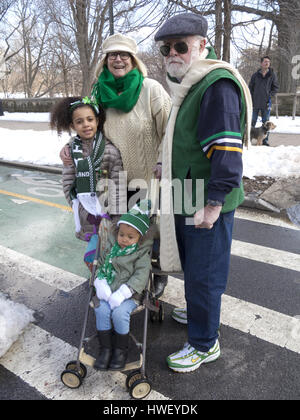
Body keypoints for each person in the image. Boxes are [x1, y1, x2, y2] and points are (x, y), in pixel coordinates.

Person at [154, 13, 253, 372]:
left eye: (182, 46)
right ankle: (200, 315)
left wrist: (213, 205)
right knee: (194, 267)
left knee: (205, 274)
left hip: (205, 199)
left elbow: (226, 151)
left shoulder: (215, 84)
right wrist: (166, 166)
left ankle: (204, 343)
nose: (172, 54)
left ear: (202, 47)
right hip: (187, 190)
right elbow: (188, 141)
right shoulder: (191, 86)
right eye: (167, 48)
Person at [60, 33, 171, 297]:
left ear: (133, 60)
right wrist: (70, 147)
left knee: (150, 234)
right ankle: (116, 279)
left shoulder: (151, 90)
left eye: (124, 54)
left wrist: (161, 162)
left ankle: (155, 275)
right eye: (112, 55)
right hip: (114, 182)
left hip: (149, 180)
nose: (118, 59)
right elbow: (88, 129)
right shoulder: (99, 94)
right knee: (118, 236)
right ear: (105, 61)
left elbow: (170, 131)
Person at [50, 96, 125, 242]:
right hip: (86, 218)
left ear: (97, 121)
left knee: (109, 255)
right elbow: (68, 184)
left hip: (109, 217)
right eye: (79, 121)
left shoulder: (110, 151)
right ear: (73, 126)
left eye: (90, 119)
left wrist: (115, 217)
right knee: (93, 258)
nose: (86, 124)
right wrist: (82, 211)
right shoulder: (71, 152)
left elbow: (118, 186)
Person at [93, 200, 154, 371]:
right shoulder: (111, 247)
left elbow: (140, 277)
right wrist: (100, 282)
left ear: (140, 238)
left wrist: (122, 293)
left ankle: (121, 351)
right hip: (108, 290)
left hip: (130, 295)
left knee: (120, 314)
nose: (124, 240)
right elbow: (101, 265)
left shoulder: (141, 254)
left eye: (130, 237)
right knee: (101, 310)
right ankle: (105, 349)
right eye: (121, 235)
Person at [249, 56, 279, 146]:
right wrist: (251, 97)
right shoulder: (255, 75)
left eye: (268, 62)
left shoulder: (272, 75)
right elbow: (250, 87)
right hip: (255, 102)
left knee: (266, 122)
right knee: (252, 121)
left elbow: (275, 87)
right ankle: (248, 139)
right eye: (265, 61)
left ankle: (264, 141)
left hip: (266, 103)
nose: (267, 63)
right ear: (261, 63)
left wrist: (269, 95)